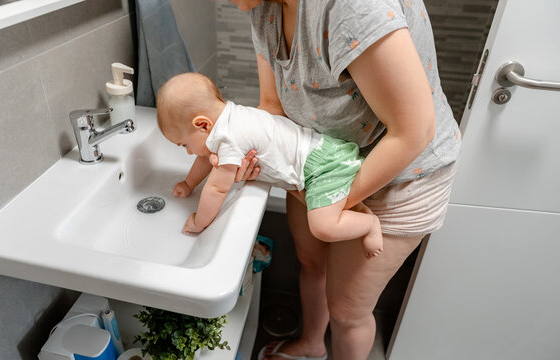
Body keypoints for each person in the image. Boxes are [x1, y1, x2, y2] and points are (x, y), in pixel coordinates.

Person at [220, 1, 461, 359]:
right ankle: (313, 345)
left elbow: (414, 131)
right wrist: (245, 144)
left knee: (348, 312)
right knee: (312, 261)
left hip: (400, 173)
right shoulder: (263, 6)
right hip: (318, 159)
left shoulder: (354, 5)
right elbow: (272, 104)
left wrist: (329, 205)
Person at [156, 72, 383, 258]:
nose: (188, 151)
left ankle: (369, 223)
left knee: (323, 227)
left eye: (184, 144)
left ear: (203, 125)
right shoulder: (231, 119)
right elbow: (205, 157)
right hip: (320, 152)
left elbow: (217, 188)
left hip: (321, 168)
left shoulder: (230, 139)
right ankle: (359, 209)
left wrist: (199, 221)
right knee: (333, 207)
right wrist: (189, 183)